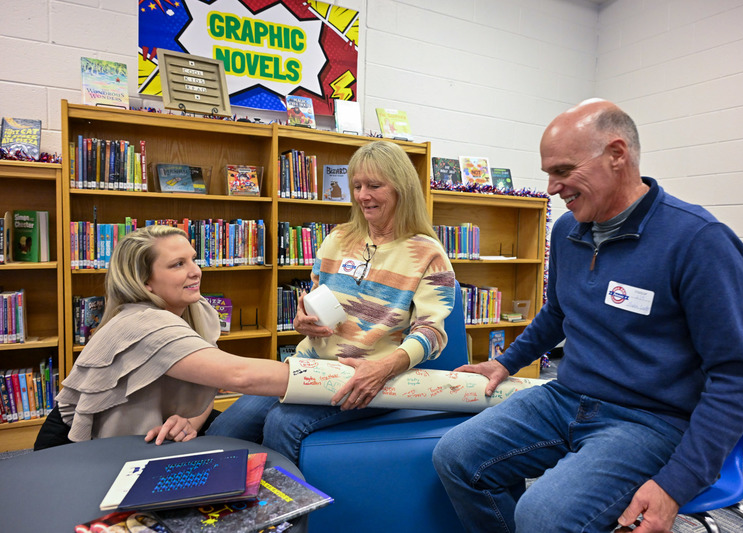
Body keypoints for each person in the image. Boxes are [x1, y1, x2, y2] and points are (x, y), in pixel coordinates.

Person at [432, 99, 743, 533]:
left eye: (563, 171)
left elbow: (737, 378)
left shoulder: (699, 241)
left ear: (617, 154)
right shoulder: (567, 230)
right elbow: (557, 312)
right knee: (456, 457)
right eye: (548, 173)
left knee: (542, 516)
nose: (551, 187)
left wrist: (675, 485)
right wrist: (505, 362)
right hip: (567, 397)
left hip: (649, 419)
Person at [207, 140, 455, 463]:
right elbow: (316, 295)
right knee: (227, 428)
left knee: (280, 425)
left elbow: (432, 333)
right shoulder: (338, 238)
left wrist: (382, 368)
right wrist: (302, 320)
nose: (363, 196)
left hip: (368, 376)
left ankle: (282, 510)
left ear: (401, 188)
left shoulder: (428, 254)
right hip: (308, 366)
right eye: (357, 185)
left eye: (374, 186)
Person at [34, 225, 290, 450]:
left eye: (193, 259)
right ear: (145, 282)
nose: (196, 271)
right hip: (73, 448)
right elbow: (239, 375)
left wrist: (189, 421)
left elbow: (207, 385)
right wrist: (327, 376)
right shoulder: (143, 323)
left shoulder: (197, 309)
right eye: (178, 264)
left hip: (149, 426)